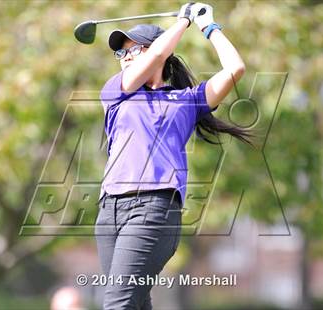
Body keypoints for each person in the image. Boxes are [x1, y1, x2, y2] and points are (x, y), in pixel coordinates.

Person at [94, 2, 250, 309]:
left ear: (161, 52)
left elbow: (235, 69)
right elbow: (154, 55)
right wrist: (181, 23)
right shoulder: (115, 92)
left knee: (118, 303)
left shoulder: (187, 101)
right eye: (119, 52)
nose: (124, 57)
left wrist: (208, 26)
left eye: (131, 49)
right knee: (134, 302)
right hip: (108, 212)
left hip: (154, 209)